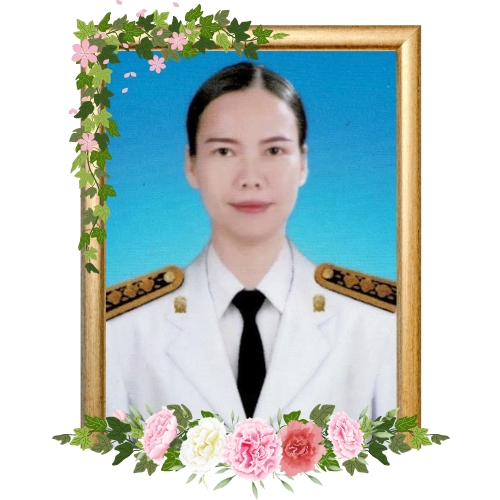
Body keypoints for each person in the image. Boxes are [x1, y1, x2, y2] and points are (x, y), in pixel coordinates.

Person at [106, 62, 396, 425]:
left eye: (273, 151)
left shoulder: (379, 323)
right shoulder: (122, 329)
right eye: (224, 151)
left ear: (303, 163)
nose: (250, 178)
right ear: (191, 164)